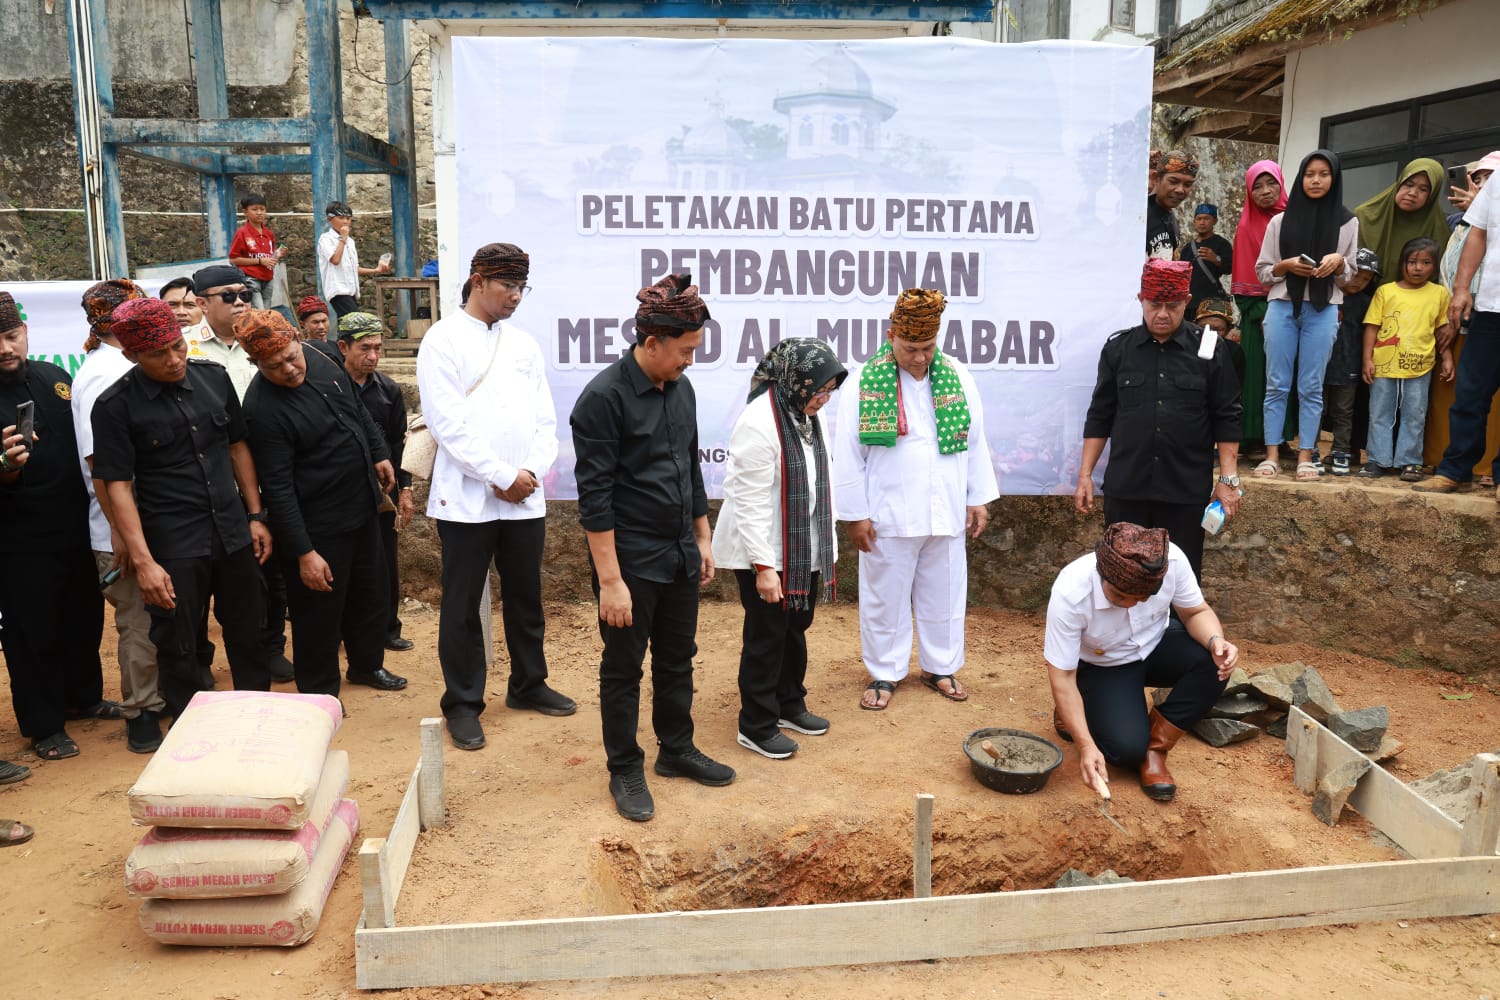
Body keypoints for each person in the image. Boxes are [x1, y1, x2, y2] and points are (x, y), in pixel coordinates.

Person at [570, 273, 734, 822]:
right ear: (650, 343)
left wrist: (703, 537)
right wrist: (611, 581)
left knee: (676, 658)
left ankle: (676, 749)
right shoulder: (602, 400)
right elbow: (594, 501)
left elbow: (690, 466)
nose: (691, 361)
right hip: (630, 559)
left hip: (679, 551)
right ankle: (625, 767)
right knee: (623, 667)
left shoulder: (681, 388)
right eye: (685, 351)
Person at [417, 243, 572, 751]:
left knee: (527, 595)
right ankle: (462, 703)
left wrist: (528, 471)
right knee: (462, 604)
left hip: (523, 496)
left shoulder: (524, 344)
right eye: (508, 286)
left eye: (522, 287)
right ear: (478, 280)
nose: (516, 296)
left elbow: (545, 420)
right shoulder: (441, 340)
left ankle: (529, 684)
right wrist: (498, 474)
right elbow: (447, 424)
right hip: (465, 498)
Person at [90, 297, 274, 722]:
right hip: (174, 542)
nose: (174, 360)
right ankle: (190, 737)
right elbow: (116, 485)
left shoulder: (213, 378)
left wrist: (256, 516)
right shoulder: (115, 405)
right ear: (131, 354)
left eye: (177, 346)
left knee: (251, 631)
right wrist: (144, 561)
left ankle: (258, 723)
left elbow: (237, 446)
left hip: (232, 530)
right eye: (159, 354)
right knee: (178, 644)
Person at [833, 288, 998, 710]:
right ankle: (885, 672)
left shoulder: (958, 375)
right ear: (891, 336)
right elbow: (847, 453)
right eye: (910, 349)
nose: (920, 358)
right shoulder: (864, 381)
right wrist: (855, 515)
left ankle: (940, 666)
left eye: (927, 348)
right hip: (887, 512)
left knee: (944, 591)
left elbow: (974, 442)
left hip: (945, 508)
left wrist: (977, 497)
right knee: (884, 595)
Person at [237, 309, 403, 699]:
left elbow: (358, 410)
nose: (290, 370)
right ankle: (319, 691)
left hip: (362, 507)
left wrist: (379, 453)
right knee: (318, 615)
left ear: (298, 341)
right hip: (318, 525)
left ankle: (367, 666)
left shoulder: (323, 357)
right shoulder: (262, 409)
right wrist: (304, 552)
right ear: (255, 363)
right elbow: (276, 488)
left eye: (292, 357)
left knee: (370, 596)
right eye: (275, 366)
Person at [711, 338, 847, 760]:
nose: (823, 400)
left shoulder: (804, 413)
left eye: (829, 391)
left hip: (801, 548)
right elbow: (749, 501)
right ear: (796, 381)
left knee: (795, 626)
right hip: (765, 550)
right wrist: (764, 568)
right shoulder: (758, 422)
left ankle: (789, 703)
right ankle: (756, 724)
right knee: (767, 634)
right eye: (818, 391)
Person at [1045, 523, 1237, 802]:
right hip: (1104, 664)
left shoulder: (1173, 562)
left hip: (1156, 643)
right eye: (1120, 596)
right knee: (1125, 751)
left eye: (1142, 598)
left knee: (1215, 662)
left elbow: (1195, 612)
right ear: (1103, 573)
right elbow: (1061, 676)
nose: (1130, 604)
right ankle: (1080, 706)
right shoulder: (1071, 592)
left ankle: (1155, 751)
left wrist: (1215, 640)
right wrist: (1086, 746)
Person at [1075, 260, 1242, 582]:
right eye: (1155, 305)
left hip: (1185, 489)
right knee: (1121, 573)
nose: (1163, 313)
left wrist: (1228, 479)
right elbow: (1100, 415)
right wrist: (1085, 475)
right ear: (1141, 299)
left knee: (1180, 576)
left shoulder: (1209, 348)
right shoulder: (1119, 350)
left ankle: (1175, 632)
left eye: (1173, 305)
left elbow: (1228, 415)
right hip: (1128, 487)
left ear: (1187, 302)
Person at [0, 292, 109, 761]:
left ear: (24, 333)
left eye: (10, 336)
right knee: (32, 633)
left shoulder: (56, 377)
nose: (5, 348)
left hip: (74, 525)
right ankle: (44, 725)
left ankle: (84, 697)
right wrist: (5, 464)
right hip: (18, 538)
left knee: (83, 617)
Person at [73, 279, 167, 753]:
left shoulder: (116, 367)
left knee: (157, 619)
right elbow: (100, 469)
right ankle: (141, 713)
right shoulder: (104, 377)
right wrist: (123, 538)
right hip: (118, 528)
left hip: (146, 520)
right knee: (137, 622)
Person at [191, 264, 293, 682]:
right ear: (200, 303)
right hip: (214, 487)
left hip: (272, 475)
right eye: (227, 296)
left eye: (243, 294)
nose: (238, 302)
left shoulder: (265, 342)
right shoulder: (185, 352)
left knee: (274, 575)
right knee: (211, 582)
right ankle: (198, 661)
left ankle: (271, 647)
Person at [1254, 150, 1360, 481]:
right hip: (1282, 305)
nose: (1315, 180)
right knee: (1276, 384)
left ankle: (1305, 457)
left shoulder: (1348, 222)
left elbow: (1349, 277)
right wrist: (1285, 266)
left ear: (1335, 179)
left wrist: (1339, 262)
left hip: (1324, 308)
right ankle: (1271, 456)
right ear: (1300, 178)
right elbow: (1262, 272)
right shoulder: (1280, 221)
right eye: (1309, 174)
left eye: (1324, 174)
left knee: (1312, 387)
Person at [336, 311, 415, 652]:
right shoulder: (329, 388)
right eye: (365, 348)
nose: (372, 356)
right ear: (344, 347)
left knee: (385, 560)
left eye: (378, 348)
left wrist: (406, 490)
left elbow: (400, 442)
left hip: (383, 490)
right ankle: (341, 631)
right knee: (344, 564)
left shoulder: (388, 390)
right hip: (341, 490)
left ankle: (387, 628)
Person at [1421, 167, 1500, 495]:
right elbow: (1478, 233)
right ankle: (1456, 470)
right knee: (1470, 393)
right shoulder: (1498, 180)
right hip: (1491, 306)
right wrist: (1462, 288)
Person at [1357, 238, 1452, 482]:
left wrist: (1448, 357)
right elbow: (1372, 327)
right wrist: (1367, 359)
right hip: (1384, 364)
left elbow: (1442, 331)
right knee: (1379, 412)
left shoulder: (1439, 294)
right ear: (1402, 264)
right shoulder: (1386, 291)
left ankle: (1410, 461)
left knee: (1415, 414)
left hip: (1420, 365)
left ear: (1434, 266)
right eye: (1412, 262)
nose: (1417, 268)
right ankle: (1377, 459)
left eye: (1425, 262)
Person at [1231, 160, 1288, 456]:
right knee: (1257, 377)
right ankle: (1253, 438)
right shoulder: (1245, 228)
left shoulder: (1296, 220)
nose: (1266, 192)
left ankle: (1281, 438)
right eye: (1258, 186)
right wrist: (1263, 312)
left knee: (1287, 376)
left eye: (1271, 184)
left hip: (1293, 313)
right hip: (1258, 315)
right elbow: (1243, 279)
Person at [1355, 159, 1452, 293]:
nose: (1412, 193)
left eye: (1423, 189)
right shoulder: (1364, 216)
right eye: (1408, 184)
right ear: (1399, 183)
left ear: (1432, 195)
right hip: (1360, 297)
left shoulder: (1439, 230)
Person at [1324, 249, 1381, 476]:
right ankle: (1311, 450)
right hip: (1319, 365)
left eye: (1367, 279)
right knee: (1316, 409)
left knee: (1344, 411)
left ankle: (1341, 450)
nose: (1360, 282)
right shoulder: (1325, 294)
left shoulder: (1365, 303)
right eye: (1357, 275)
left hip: (1349, 366)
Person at [316, 201, 390, 319]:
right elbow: (335, 260)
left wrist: (376, 270)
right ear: (330, 219)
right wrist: (343, 238)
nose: (345, 222)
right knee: (355, 324)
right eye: (341, 218)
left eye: (348, 218)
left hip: (351, 291)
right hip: (338, 290)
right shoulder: (326, 239)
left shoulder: (350, 241)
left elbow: (353, 268)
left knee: (348, 328)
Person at [227, 193, 285, 310]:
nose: (259, 212)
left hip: (268, 277)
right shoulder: (242, 233)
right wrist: (259, 261)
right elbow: (233, 259)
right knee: (259, 312)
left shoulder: (269, 233)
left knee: (266, 310)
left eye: (262, 209)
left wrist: (278, 254)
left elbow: (269, 257)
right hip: (251, 278)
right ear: (245, 212)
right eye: (254, 209)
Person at [1177, 202, 1232, 314]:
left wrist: (1216, 259)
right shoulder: (1187, 248)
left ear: (1214, 221)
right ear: (1194, 222)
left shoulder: (1222, 244)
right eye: (1199, 219)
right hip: (1189, 302)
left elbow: (1229, 269)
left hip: (1212, 301)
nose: (1202, 222)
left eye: (1206, 218)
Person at [1147, 150, 1198, 261]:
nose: (1180, 190)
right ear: (1156, 178)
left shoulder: (1171, 220)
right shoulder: (1140, 216)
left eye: (1187, 184)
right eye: (1173, 181)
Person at [1194, 296, 1244, 384]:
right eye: (1204, 327)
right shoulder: (1184, 345)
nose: (1210, 333)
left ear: (1228, 330)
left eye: (1217, 329)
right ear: (1195, 326)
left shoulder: (1233, 351)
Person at [159, 276, 211, 347]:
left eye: (189, 305)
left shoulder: (222, 339)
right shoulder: (149, 346)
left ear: (203, 307)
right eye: (172, 305)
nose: (181, 312)